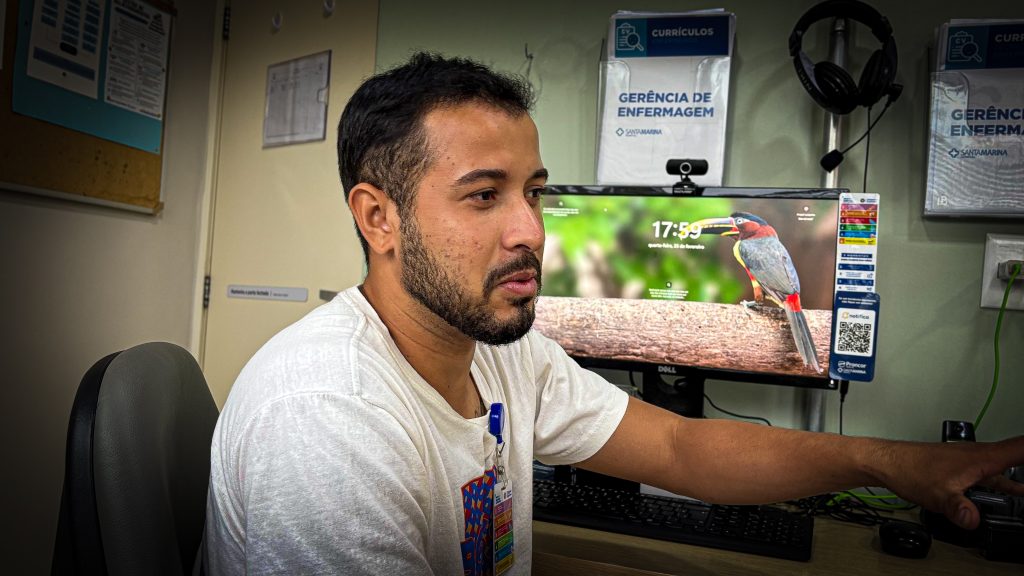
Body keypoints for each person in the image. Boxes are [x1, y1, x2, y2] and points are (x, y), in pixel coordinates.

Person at [205, 52, 1024, 575]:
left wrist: (891, 463)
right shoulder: (326, 418)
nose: (531, 231)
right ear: (378, 218)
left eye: (535, 193)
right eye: (484, 196)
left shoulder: (498, 350)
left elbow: (679, 444)